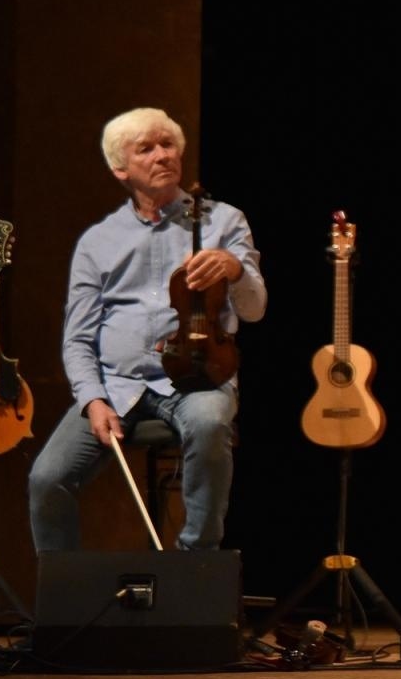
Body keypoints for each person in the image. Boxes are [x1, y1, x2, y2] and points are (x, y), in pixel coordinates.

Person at [29, 107, 266, 551]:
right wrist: (93, 399)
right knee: (47, 478)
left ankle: (195, 565)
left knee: (210, 423)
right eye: (147, 149)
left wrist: (235, 269)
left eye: (168, 144)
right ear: (121, 168)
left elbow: (254, 311)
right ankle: (67, 598)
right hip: (117, 385)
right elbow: (78, 338)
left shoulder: (224, 221)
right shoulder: (98, 242)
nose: (163, 155)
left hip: (198, 377)